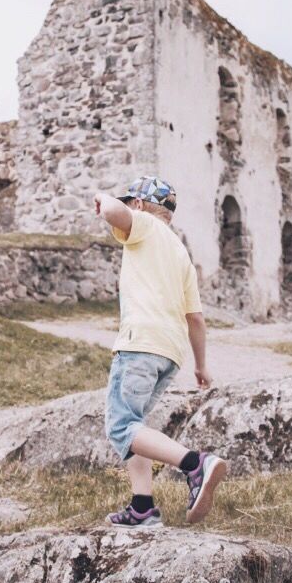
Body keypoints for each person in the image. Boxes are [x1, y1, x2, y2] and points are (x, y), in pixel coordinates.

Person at [94, 176, 227, 528]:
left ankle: (195, 464)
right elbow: (196, 319)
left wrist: (102, 198)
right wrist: (201, 366)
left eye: (129, 203)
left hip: (140, 343)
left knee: (121, 426)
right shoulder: (180, 251)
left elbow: (111, 211)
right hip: (169, 353)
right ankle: (142, 507)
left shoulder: (144, 225)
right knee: (135, 426)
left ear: (138, 205)